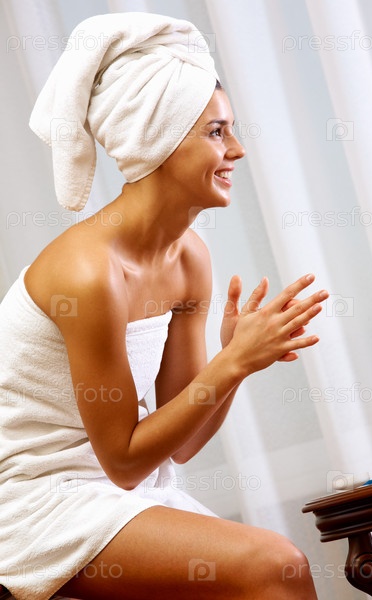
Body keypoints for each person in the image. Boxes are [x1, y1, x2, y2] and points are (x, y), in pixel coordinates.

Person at [0, 12, 328, 600]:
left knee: (272, 568)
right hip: (38, 504)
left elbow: (180, 445)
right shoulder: (87, 274)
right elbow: (126, 461)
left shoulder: (188, 258)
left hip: (119, 492)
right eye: (216, 132)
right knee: (276, 565)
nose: (237, 150)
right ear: (158, 141)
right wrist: (232, 363)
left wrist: (234, 360)